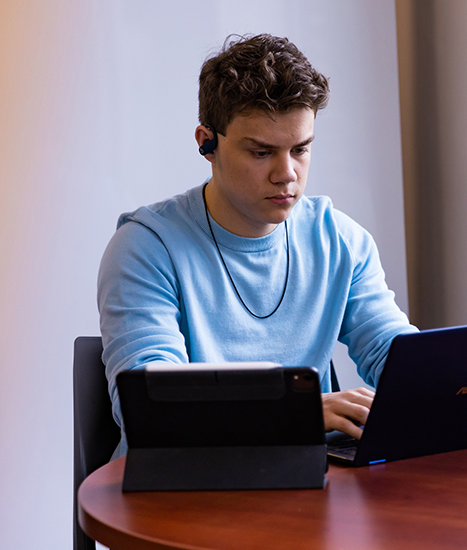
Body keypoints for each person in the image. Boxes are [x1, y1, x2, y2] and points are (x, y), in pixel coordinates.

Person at [97, 34, 416, 458]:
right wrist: (297, 412)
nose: (287, 175)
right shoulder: (145, 247)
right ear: (206, 143)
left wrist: (462, 384)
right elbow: (151, 411)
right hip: (174, 496)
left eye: (300, 149)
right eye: (262, 152)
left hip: (305, 489)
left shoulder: (340, 240)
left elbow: (393, 354)